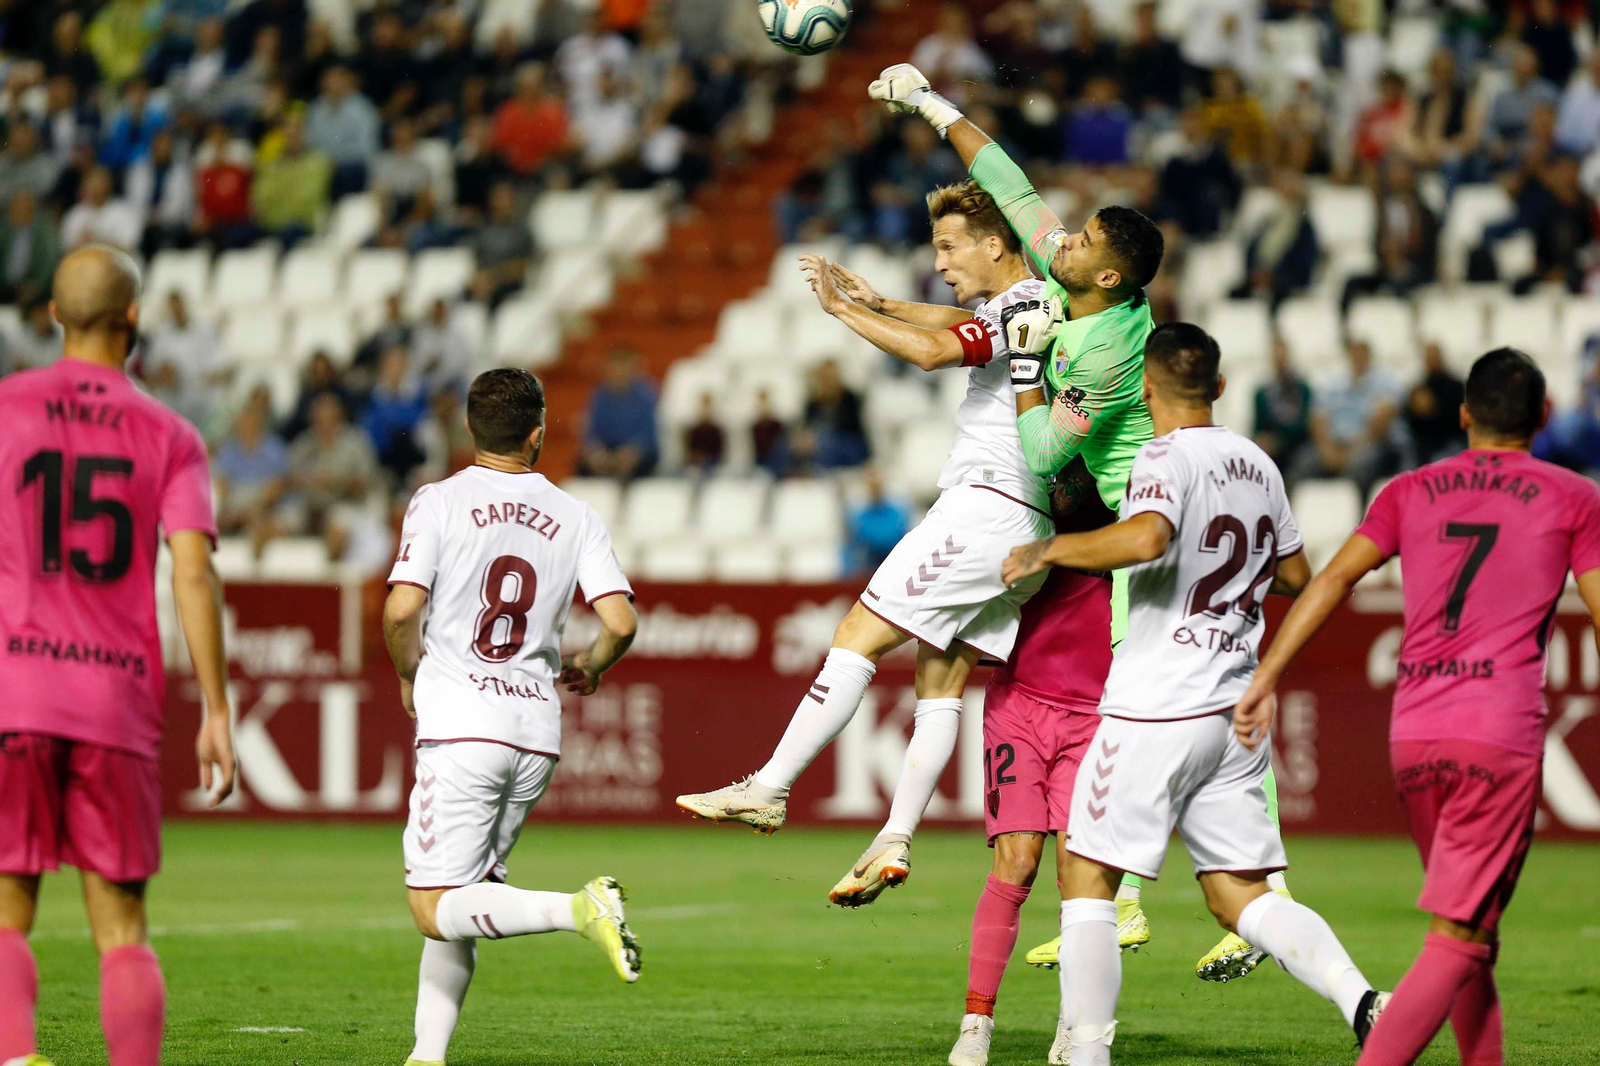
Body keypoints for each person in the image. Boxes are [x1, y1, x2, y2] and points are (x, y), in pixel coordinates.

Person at [1001, 322, 1388, 1065]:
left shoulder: (1160, 455)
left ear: (1146, 389)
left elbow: (1146, 537)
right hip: (1232, 710)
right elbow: (1299, 577)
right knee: (1238, 894)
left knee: (1086, 875)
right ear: (1217, 386)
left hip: (1156, 702)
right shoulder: (1259, 464)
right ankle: (1363, 999)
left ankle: (1085, 1053)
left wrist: (1049, 547)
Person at [676, 178, 1064, 905]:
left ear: (993, 243)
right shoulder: (1035, 302)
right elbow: (961, 318)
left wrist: (845, 311)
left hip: (984, 509)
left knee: (857, 633)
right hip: (1024, 522)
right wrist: (884, 301)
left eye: (950, 247)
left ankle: (769, 786)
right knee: (940, 677)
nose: (942, 262)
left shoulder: (1018, 307)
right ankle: (895, 836)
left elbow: (931, 351)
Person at [1236, 348, 1600, 1066]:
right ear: (1544, 418)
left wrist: (1268, 672)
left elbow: (1334, 580)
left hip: (1413, 735)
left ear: (1464, 415)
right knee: (1459, 936)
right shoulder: (1573, 497)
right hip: (1496, 732)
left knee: (1474, 933)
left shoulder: (1409, 491)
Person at [0, 245, 237, 1066]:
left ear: (52, 316)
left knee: (5, 909)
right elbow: (194, 573)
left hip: (13, 692)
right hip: (113, 699)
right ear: (132, 317)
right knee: (124, 928)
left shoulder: (4, 408)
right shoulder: (170, 435)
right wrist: (215, 709)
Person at [383, 368, 642, 1066]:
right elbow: (619, 620)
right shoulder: (575, 514)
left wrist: (410, 672)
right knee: (466, 902)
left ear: (468, 428)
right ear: (538, 433)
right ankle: (427, 1057)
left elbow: (402, 608)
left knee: (433, 906)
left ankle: (578, 909)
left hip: (462, 726)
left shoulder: (438, 500)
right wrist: (591, 663)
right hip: (534, 734)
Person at [948, 458, 1115, 1066]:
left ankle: (1075, 1023)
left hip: (1096, 716)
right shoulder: (1031, 493)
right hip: (1020, 703)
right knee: (1016, 861)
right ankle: (976, 1023)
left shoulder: (1131, 506)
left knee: (1080, 875)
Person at [580, 348, 659, 480]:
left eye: (623, 367)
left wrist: (632, 451)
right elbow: (592, 431)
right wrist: (596, 451)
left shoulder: (645, 396)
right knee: (583, 466)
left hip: (637, 454)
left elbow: (648, 435)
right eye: (615, 367)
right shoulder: (599, 396)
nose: (619, 372)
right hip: (608, 452)